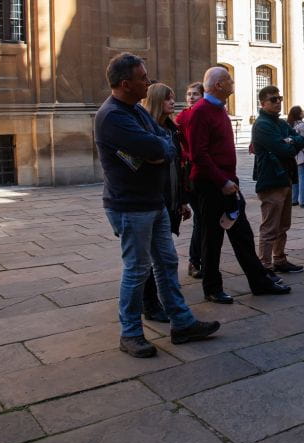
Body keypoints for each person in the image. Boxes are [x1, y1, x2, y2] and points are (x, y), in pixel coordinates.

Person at [94, 53, 219, 358]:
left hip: (153, 202)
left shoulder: (135, 111)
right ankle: (131, 333)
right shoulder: (113, 116)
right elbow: (156, 146)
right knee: (137, 270)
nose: (148, 82)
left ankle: (182, 323)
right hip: (130, 206)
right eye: (142, 78)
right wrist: (158, 148)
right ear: (126, 83)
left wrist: (158, 149)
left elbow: (166, 142)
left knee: (166, 263)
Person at [181, 66, 291, 303]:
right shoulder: (201, 111)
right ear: (219, 85)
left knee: (242, 234)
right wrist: (222, 181)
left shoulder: (218, 109)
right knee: (212, 238)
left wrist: (230, 181)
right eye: (229, 79)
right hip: (211, 185)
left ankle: (259, 281)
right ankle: (212, 288)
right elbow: (198, 154)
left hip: (228, 183)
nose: (233, 82)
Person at [138, 83, 191, 323]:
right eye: (169, 99)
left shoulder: (172, 129)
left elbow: (177, 169)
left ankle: (165, 304)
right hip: (151, 202)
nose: (173, 102)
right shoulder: (145, 130)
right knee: (150, 259)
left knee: (164, 256)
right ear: (158, 101)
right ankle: (149, 303)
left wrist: (181, 200)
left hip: (169, 201)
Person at [252, 86, 304, 274]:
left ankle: (279, 259)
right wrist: (289, 142)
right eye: (273, 99)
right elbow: (284, 150)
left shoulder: (280, 123)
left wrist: (289, 141)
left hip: (285, 178)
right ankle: (265, 266)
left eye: (279, 98)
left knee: (283, 225)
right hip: (271, 179)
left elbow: (300, 140)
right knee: (270, 227)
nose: (278, 102)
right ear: (262, 103)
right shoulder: (262, 125)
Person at [176, 82, 205, 278]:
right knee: (201, 220)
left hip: (205, 172)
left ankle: (202, 260)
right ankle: (195, 261)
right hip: (190, 172)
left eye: (195, 94)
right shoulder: (182, 116)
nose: (191, 97)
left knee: (206, 221)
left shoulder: (206, 114)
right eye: (188, 94)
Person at [287, 106, 304, 208]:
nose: (303, 112)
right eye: (302, 111)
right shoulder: (302, 126)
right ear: (298, 114)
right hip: (302, 154)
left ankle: (294, 199)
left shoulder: (290, 125)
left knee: (295, 178)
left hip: (293, 155)